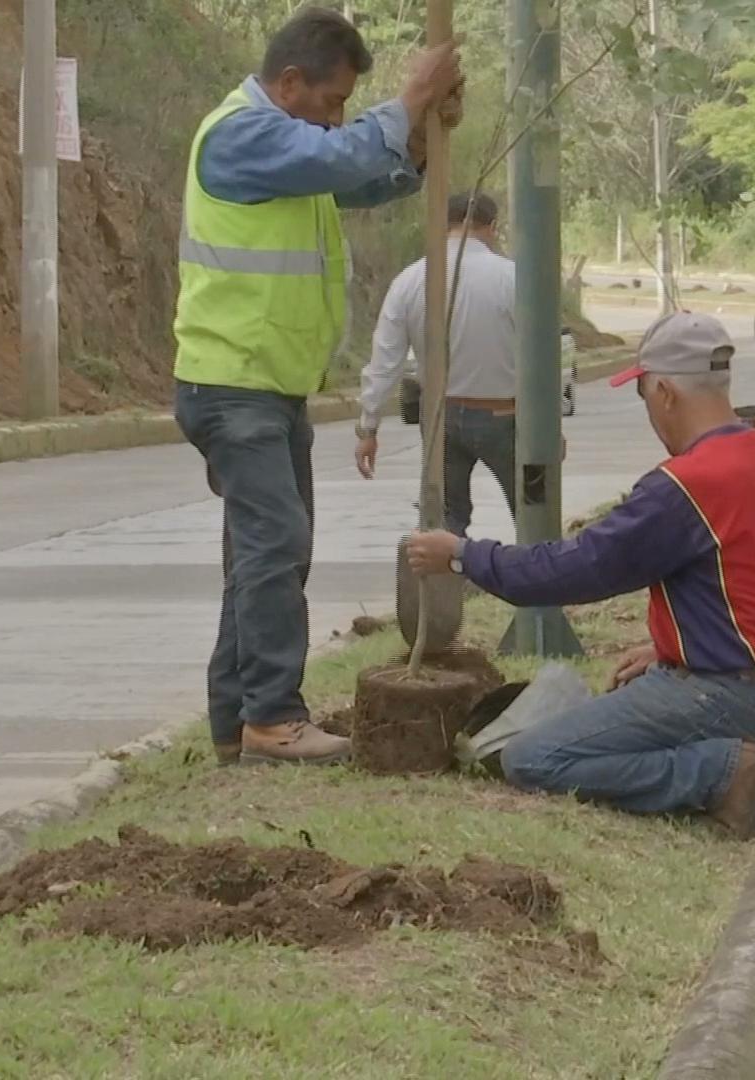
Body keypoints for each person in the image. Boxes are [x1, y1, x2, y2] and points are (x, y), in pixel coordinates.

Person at [173, 7, 463, 767]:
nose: (337, 119)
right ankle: (272, 718)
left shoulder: (290, 157)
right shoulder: (243, 134)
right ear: (290, 83)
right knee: (275, 546)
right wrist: (407, 100)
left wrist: (421, 151)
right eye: (332, 101)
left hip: (268, 387)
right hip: (233, 384)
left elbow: (357, 179)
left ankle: (237, 721)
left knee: (264, 557)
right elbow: (342, 160)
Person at [405, 312, 755, 839]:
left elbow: (574, 569)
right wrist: (680, 643)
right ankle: (731, 758)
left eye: (643, 393)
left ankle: (723, 772)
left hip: (718, 695)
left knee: (533, 758)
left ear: (665, 391)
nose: (648, 410)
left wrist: (463, 555)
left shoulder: (687, 486)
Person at [355, 193, 518, 537]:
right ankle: (540, 585)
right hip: (504, 415)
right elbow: (538, 355)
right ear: (492, 228)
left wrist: (368, 427)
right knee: (534, 513)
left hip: (440, 417)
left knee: (444, 524)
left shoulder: (410, 280)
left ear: (443, 226)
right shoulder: (512, 278)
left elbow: (385, 361)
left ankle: (443, 589)